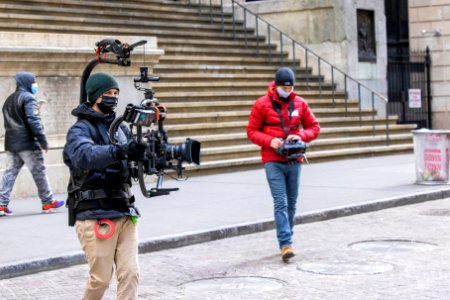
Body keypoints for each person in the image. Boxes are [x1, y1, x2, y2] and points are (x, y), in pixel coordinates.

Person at [63, 72, 147, 299]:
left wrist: (145, 156)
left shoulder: (121, 128)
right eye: (108, 93)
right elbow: (84, 155)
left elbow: (131, 159)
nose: (113, 97)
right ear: (95, 96)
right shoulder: (80, 129)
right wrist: (119, 150)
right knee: (100, 280)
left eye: (116, 93)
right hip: (95, 213)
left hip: (124, 210)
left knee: (131, 273)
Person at [247, 67, 320, 262]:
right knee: (281, 201)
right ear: (276, 86)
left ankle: (287, 236)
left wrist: (300, 135)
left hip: (294, 159)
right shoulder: (261, 104)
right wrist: (269, 140)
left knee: (292, 202)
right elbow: (252, 131)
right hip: (273, 160)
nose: (287, 91)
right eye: (283, 88)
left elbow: (314, 127)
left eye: (290, 88)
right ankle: (285, 244)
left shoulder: (300, 103)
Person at [0, 72, 63, 216]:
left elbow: (16, 119)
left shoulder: (9, 99)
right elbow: (33, 120)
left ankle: (1, 204)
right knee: (39, 171)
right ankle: (48, 202)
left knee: (10, 173)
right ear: (26, 82)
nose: (35, 84)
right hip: (27, 143)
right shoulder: (28, 98)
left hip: (11, 142)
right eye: (33, 81)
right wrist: (43, 141)